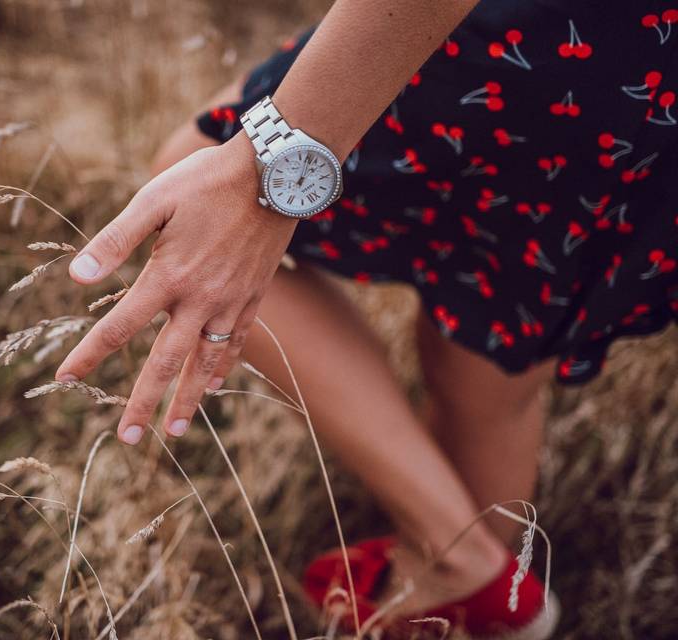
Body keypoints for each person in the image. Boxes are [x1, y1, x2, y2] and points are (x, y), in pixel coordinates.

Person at [55, 0, 678, 636]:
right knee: (492, 341)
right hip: (653, 85)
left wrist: (266, 169)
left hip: (525, 37)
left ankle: (459, 557)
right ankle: (482, 602)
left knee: (193, 176)